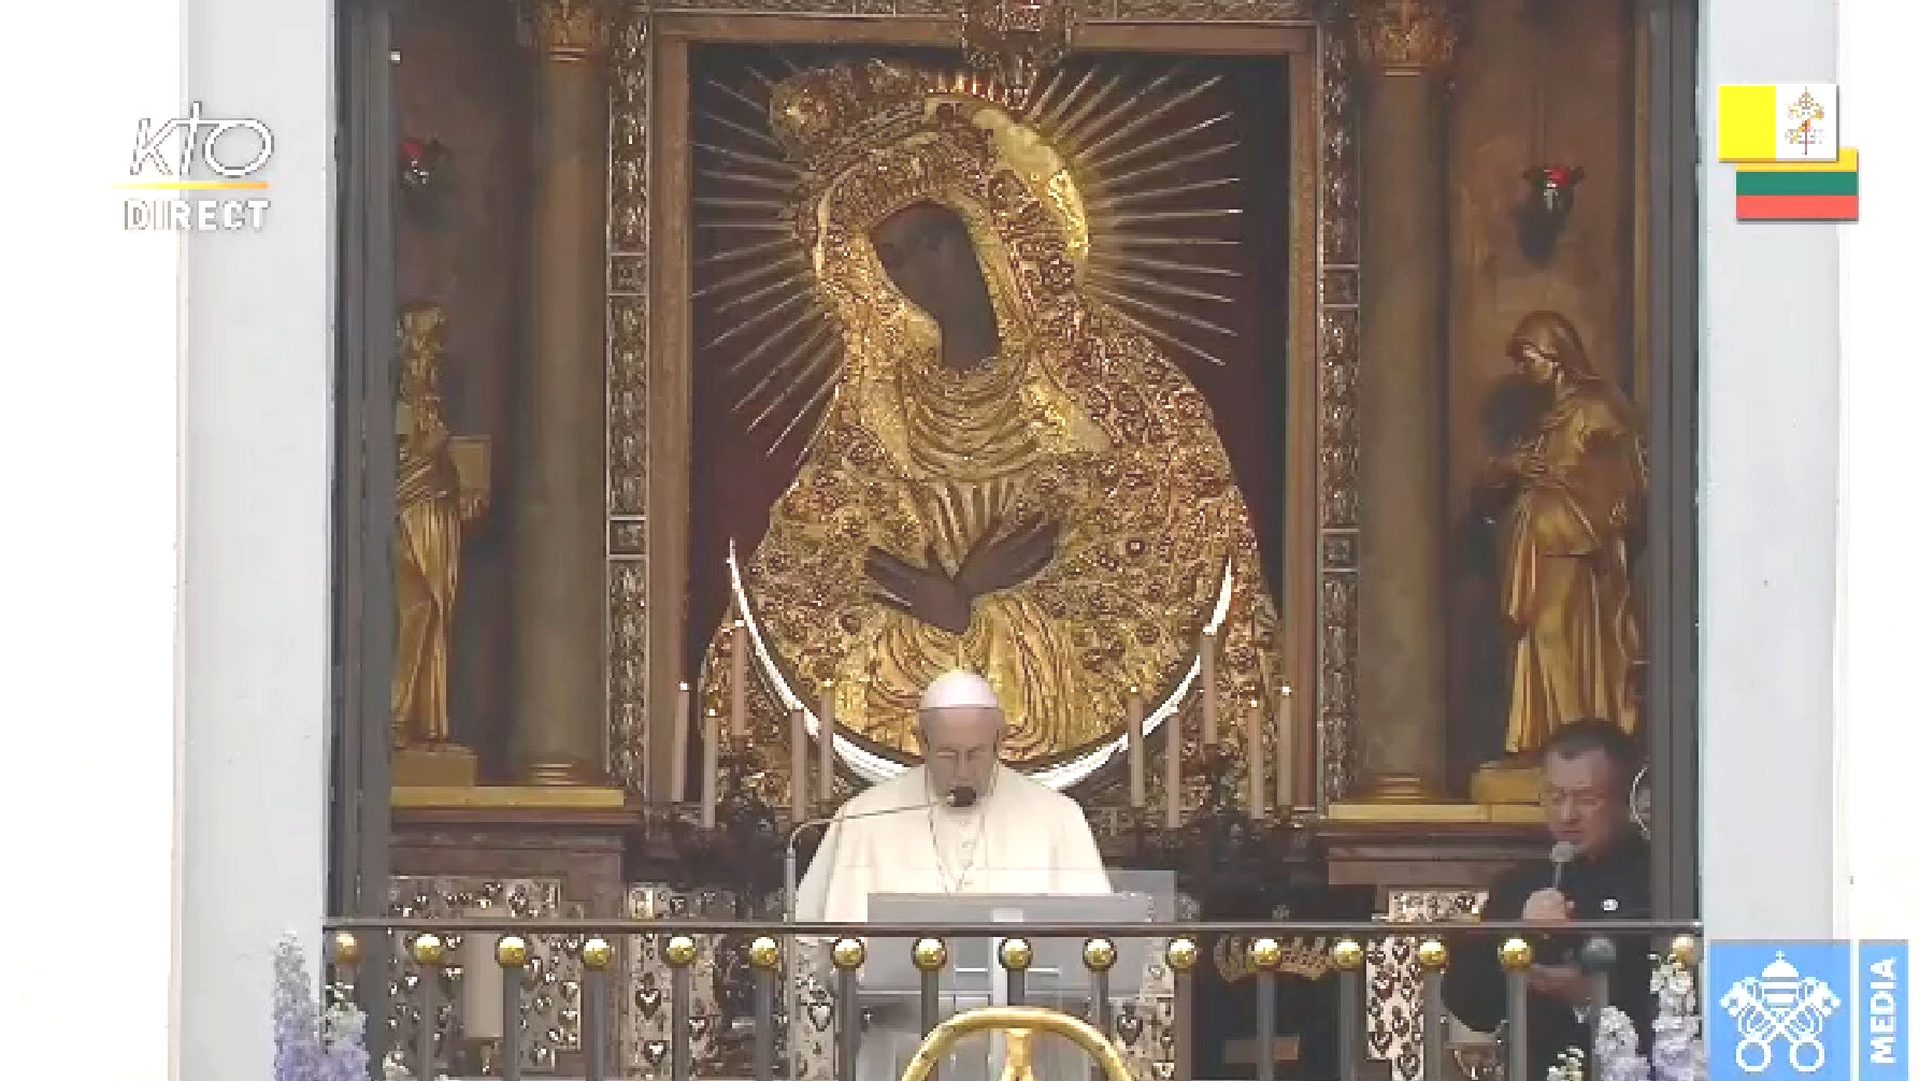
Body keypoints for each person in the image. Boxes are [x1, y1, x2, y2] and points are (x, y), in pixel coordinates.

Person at [794, 670, 1112, 922]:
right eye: (947, 755)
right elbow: (817, 952)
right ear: (922, 743)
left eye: (976, 754)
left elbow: (1094, 944)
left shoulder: (1058, 817)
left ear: (999, 740)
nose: (962, 771)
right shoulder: (863, 818)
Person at [1442, 719, 1652, 1078]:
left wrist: (1591, 994)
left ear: (1624, 802)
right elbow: (1469, 1002)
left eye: (1587, 799)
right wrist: (1518, 934)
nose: (1567, 814)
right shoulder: (1519, 885)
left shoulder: (1656, 881)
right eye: (1555, 797)